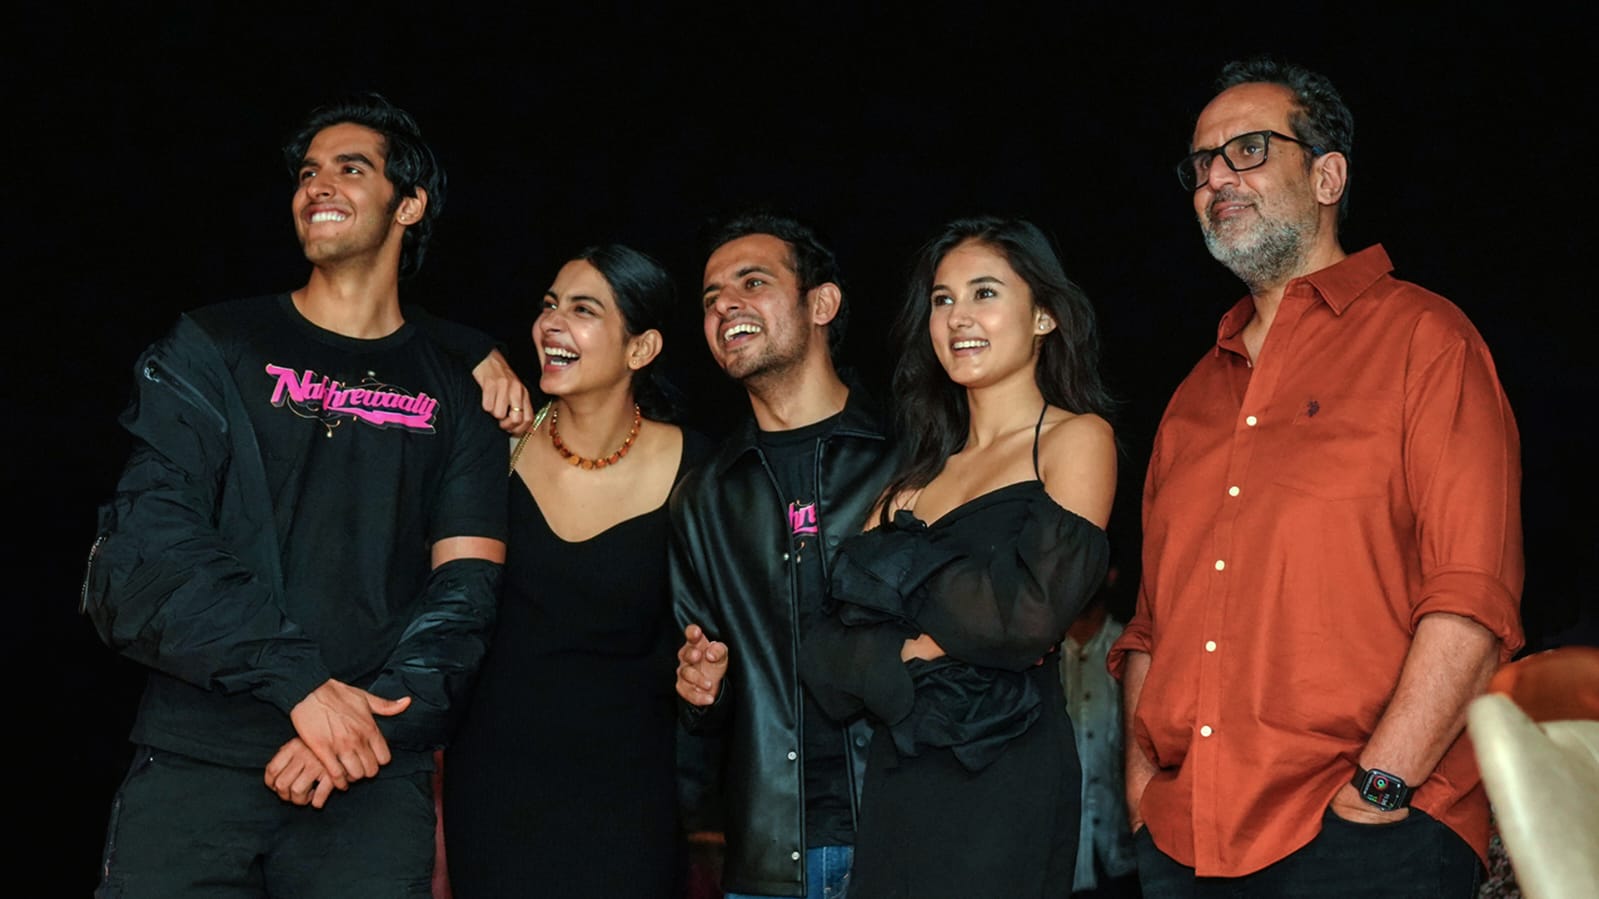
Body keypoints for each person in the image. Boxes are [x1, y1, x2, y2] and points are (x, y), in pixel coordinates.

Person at [1108, 58, 1524, 897]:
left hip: (1368, 833)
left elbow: (1471, 597)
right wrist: (1144, 793)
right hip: (1186, 842)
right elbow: (1150, 626)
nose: (1215, 177)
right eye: (1201, 163)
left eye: (1248, 149)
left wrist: (1382, 784)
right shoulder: (1191, 399)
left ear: (1328, 176)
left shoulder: (1424, 340)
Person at [82, 94, 508, 898]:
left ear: (409, 205)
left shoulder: (460, 392)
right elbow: (143, 551)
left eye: (351, 168)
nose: (318, 185)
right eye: (309, 172)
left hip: (371, 776)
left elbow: (465, 593)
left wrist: (362, 722)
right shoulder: (212, 345)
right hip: (197, 763)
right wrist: (303, 688)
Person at [800, 215, 1117, 898]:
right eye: (942, 299)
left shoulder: (1074, 440)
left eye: (984, 293)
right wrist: (930, 640)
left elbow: (1022, 620)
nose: (957, 317)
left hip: (1007, 778)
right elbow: (825, 659)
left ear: (1043, 316)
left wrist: (898, 580)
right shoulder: (914, 476)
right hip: (899, 783)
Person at [442, 244, 712, 897]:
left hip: (629, 797)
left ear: (641, 348)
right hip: (494, 789)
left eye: (583, 310)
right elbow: (406, 334)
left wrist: (707, 672)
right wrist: (479, 350)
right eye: (548, 305)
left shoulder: (699, 470)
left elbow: (726, 634)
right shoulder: (494, 446)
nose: (551, 324)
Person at [671, 211, 896, 898]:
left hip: (908, 842)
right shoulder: (705, 496)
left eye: (752, 283)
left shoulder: (909, 457)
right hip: (768, 862)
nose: (725, 306)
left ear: (820, 304)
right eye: (711, 297)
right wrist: (702, 690)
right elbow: (701, 703)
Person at [1060, 569, 1139, 898]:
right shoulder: (1039, 655)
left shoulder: (1131, 652)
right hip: (1059, 853)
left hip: (1120, 852)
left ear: (1112, 575)